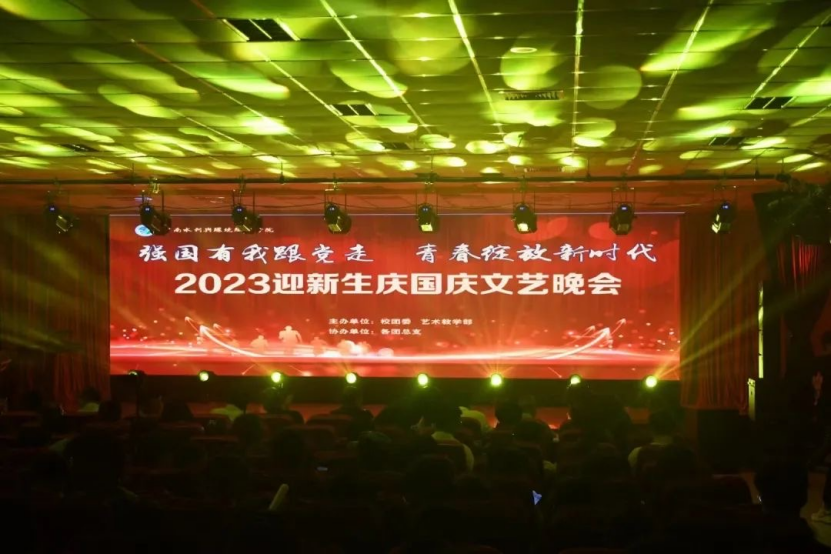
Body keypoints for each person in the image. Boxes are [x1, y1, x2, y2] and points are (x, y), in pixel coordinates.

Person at [429, 401, 474, 472]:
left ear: (433, 423)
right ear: (457, 424)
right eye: (460, 421)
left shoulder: (420, 446)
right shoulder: (464, 450)